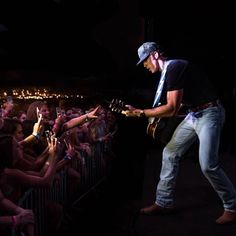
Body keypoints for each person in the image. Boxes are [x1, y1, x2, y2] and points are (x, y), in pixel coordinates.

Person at [123, 41, 236, 224]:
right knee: (170, 153)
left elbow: (172, 108)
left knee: (208, 165)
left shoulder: (175, 67)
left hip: (209, 114)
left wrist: (140, 113)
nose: (144, 65)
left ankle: (232, 206)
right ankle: (164, 202)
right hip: (195, 114)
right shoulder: (169, 72)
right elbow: (179, 104)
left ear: (155, 55)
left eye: (145, 60)